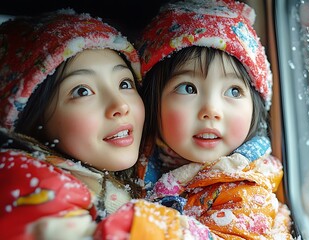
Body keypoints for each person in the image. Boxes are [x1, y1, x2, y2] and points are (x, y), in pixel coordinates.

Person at [0, 9, 216, 239]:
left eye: (124, 84)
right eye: (82, 91)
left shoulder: (148, 169)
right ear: (31, 115)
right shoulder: (24, 182)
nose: (120, 105)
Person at [136, 0, 293, 239]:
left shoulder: (246, 189)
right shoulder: (139, 158)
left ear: (255, 108)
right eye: (188, 88)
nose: (211, 110)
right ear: (151, 101)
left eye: (233, 91)